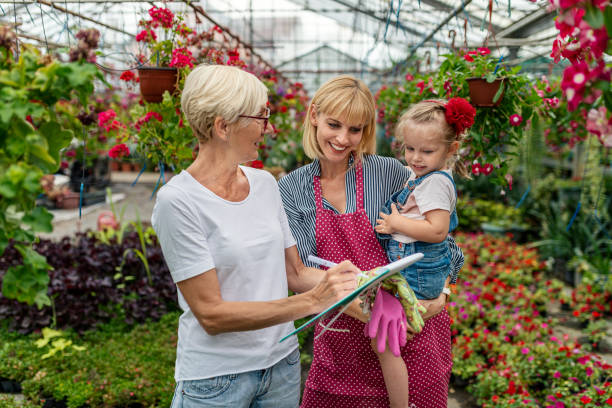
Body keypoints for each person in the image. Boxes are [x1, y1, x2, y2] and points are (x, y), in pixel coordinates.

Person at [151, 64, 361, 408]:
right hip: (216, 380)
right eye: (262, 117)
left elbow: (294, 273)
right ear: (223, 126)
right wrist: (312, 302)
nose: (270, 127)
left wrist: (360, 284)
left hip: (282, 367)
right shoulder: (178, 201)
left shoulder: (264, 184)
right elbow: (212, 314)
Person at [278, 75, 463, 408]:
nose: (342, 138)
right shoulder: (292, 189)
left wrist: (441, 295)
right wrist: (370, 297)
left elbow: (443, 239)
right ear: (315, 115)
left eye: (355, 129)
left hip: (411, 339)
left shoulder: (390, 172)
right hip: (342, 349)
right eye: (334, 124)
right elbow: (298, 273)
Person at [373, 98, 475, 407]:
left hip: (416, 274)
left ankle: (400, 403)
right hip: (419, 272)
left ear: (451, 149)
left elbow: (437, 232)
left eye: (426, 151)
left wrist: (395, 223)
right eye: (410, 148)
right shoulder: (427, 176)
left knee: (387, 343)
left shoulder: (435, 185)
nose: (416, 158)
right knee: (397, 339)